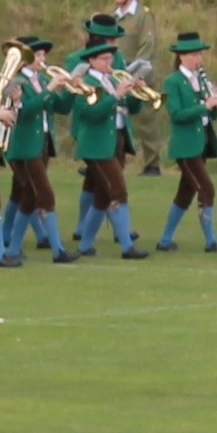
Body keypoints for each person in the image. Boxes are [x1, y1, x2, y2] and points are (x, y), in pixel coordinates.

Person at [65, 19, 147, 259]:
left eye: (110, 58)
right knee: (118, 192)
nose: (108, 63)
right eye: (103, 59)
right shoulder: (86, 84)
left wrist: (136, 92)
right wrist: (115, 96)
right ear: (91, 61)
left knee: (101, 197)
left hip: (114, 140)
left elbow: (131, 109)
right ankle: (127, 247)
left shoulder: (111, 80)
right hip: (96, 145)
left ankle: (84, 246)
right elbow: (90, 113)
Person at [0, 32, 68, 266]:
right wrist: (49, 90)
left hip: (42, 142)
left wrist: (72, 89)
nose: (43, 59)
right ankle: (58, 250)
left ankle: (14, 247)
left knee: (29, 196)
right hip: (23, 146)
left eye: (44, 55)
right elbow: (24, 112)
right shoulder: (16, 81)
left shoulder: (42, 80)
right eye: (38, 55)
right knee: (45, 195)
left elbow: (62, 107)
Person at [155, 31, 217, 250]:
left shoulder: (201, 79)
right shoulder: (172, 81)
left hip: (202, 141)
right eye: (193, 55)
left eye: (199, 54)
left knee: (185, 193)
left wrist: (216, 106)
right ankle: (211, 241)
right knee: (206, 189)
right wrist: (204, 105)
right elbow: (177, 114)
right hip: (185, 145)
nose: (198, 59)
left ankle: (165, 240)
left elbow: (208, 115)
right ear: (181, 56)